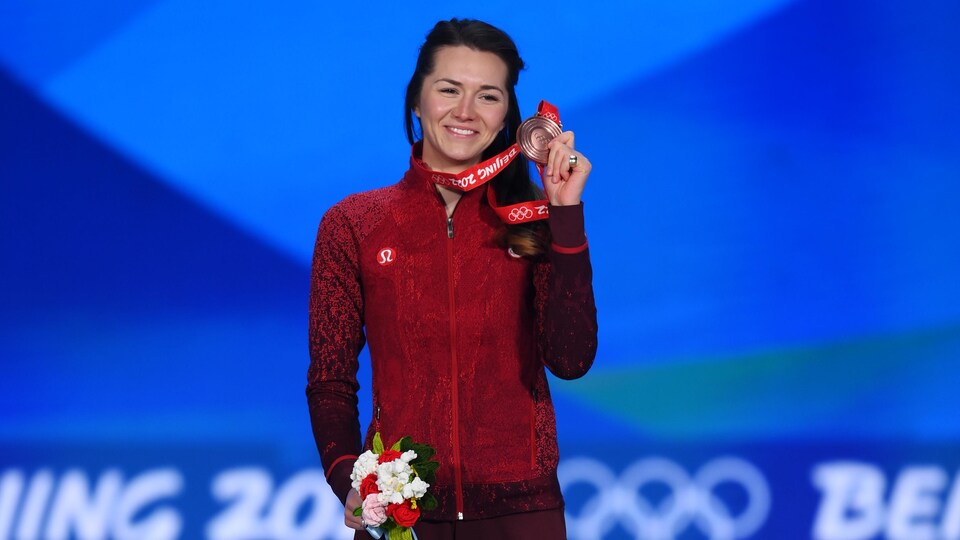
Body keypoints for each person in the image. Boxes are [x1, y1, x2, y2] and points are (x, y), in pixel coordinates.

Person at [307, 18, 598, 539]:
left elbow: (571, 361)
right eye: (448, 90)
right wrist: (348, 479)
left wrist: (564, 214)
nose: (465, 112)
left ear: (508, 115)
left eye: (488, 96)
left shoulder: (532, 218)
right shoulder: (353, 224)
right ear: (416, 102)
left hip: (521, 515)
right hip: (404, 514)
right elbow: (330, 378)